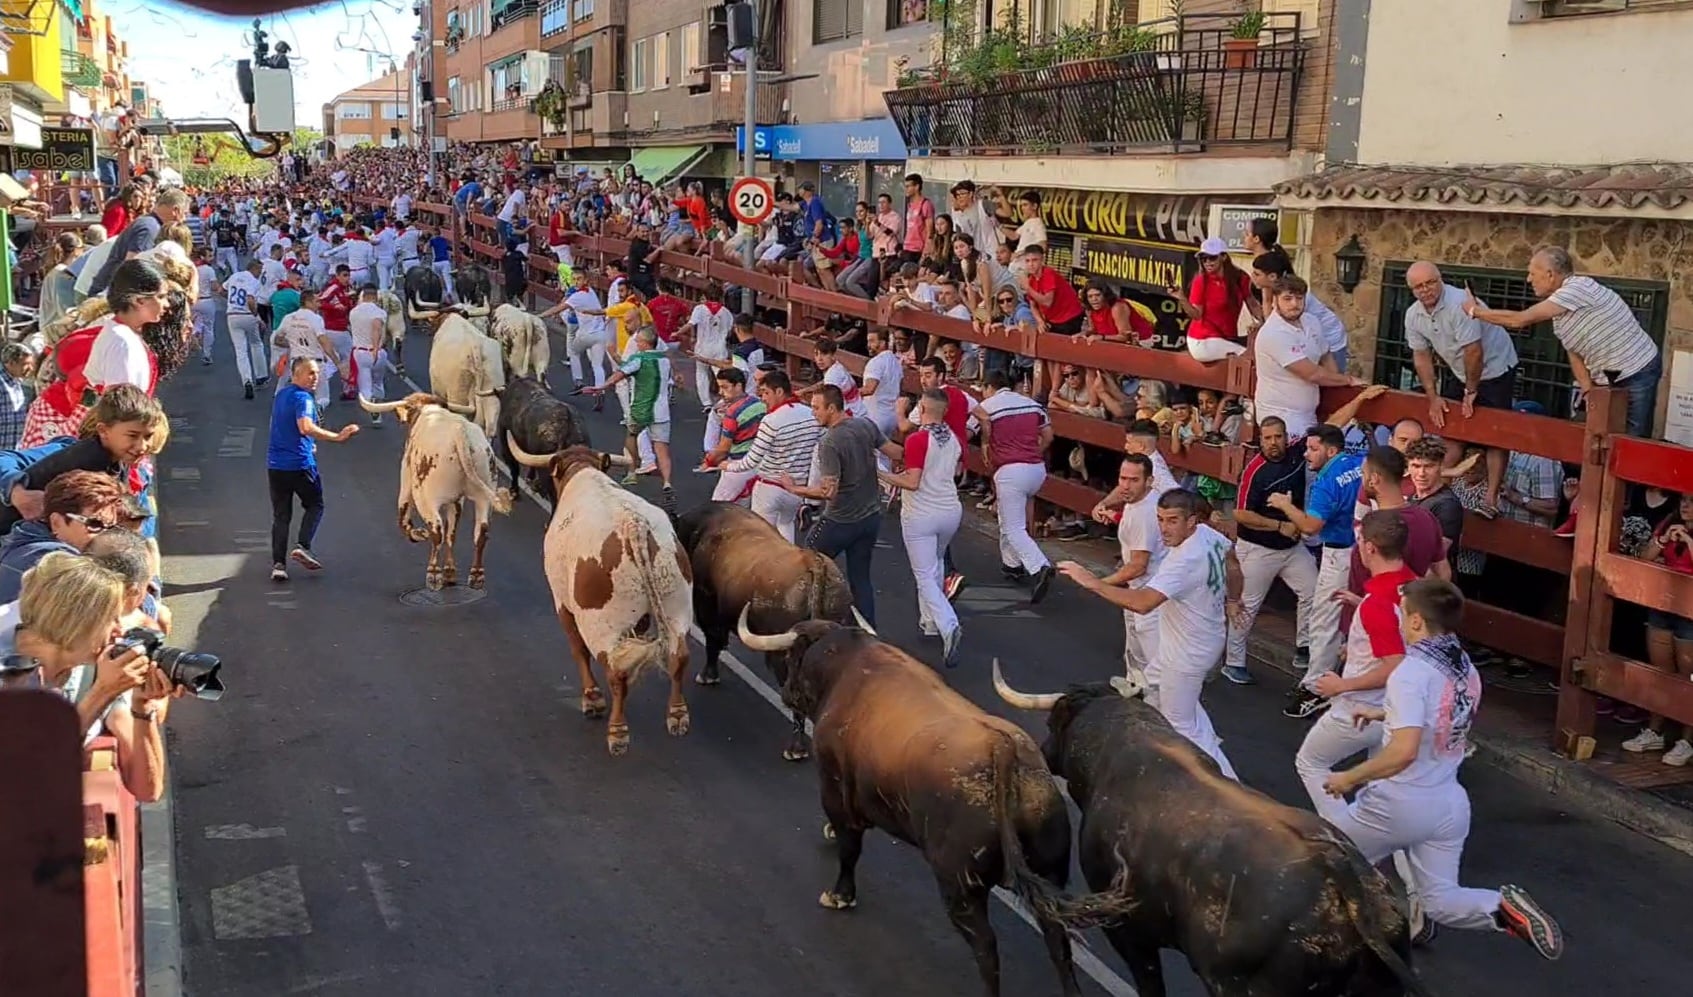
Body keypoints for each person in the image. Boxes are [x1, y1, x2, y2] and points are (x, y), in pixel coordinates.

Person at [1322, 578, 1565, 961]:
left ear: (1417, 621)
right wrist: (1383, 712)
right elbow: (1441, 713)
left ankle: (1343, 954)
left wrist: (1347, 778)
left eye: (1403, 616)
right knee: (1441, 901)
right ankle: (1502, 909)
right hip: (1448, 803)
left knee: (1329, 860)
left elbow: (1402, 752)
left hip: (1400, 801)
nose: (1400, 623)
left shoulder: (1410, 672)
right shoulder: (1463, 665)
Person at [1059, 489, 1246, 777]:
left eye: (1172, 521)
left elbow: (1144, 603)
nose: (1164, 528)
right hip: (1201, 639)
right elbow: (1232, 561)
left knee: (1181, 726)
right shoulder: (1209, 536)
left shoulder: (1183, 561)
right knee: (1151, 691)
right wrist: (1233, 600)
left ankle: (1226, 783)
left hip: (1186, 653)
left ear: (1192, 521)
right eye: (1160, 519)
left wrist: (1092, 583)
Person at [0, 552, 173, 801]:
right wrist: (101, 693)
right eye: (111, 620)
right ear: (75, 623)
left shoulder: (96, 667)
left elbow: (148, 791)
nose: (119, 630)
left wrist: (142, 704)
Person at [782, 384, 902, 629]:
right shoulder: (865, 425)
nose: (813, 412)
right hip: (869, 518)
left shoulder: (829, 442)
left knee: (807, 566)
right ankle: (867, 631)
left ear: (832, 408)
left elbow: (828, 491)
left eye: (816, 408)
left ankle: (807, 625)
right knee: (861, 579)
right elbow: (897, 452)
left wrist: (795, 488)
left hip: (839, 520)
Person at [1225, 416, 1316, 686]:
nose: (1274, 443)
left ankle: (1304, 647)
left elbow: (1330, 426)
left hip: (1291, 547)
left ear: (1286, 436)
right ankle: (1233, 662)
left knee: (1313, 590)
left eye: (1278, 436)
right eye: (1268, 438)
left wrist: (1358, 402)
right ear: (1260, 440)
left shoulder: (1298, 450)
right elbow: (1240, 513)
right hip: (1258, 548)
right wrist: (1278, 525)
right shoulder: (1255, 470)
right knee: (1248, 606)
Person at [0, 385, 164, 537]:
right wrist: (18, 494)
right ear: (103, 431)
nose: (142, 446)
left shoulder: (119, 463)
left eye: (148, 436)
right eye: (132, 436)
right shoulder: (84, 458)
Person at [880, 389, 964, 666]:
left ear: (923, 409)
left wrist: (882, 474)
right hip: (950, 509)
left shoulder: (918, 439)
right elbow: (946, 473)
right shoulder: (951, 438)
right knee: (936, 562)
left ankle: (947, 623)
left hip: (921, 513)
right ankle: (928, 621)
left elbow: (913, 481)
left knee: (924, 574)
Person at [268, 358, 358, 582]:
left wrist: (309, 443)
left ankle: (278, 565)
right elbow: (305, 427)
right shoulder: (303, 398)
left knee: (281, 516)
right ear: (295, 375)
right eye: (309, 373)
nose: (315, 377)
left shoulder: (281, 396)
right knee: (315, 504)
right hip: (300, 465)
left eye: (317, 373)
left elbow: (281, 426)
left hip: (275, 466)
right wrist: (337, 437)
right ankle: (303, 545)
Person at [972, 369, 1055, 601]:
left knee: (1012, 526)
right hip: (1036, 468)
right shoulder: (1031, 405)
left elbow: (971, 428)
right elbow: (1048, 436)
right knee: (1012, 517)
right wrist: (1032, 453)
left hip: (1009, 470)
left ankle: (1040, 566)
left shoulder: (988, 406)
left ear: (989, 387)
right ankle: (1012, 564)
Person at [0, 470, 126, 602]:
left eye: (111, 527)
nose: (104, 536)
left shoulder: (27, 546)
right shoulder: (53, 559)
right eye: (94, 524)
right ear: (56, 522)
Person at [727, 370, 823, 542]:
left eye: (766, 393)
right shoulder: (811, 415)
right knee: (786, 526)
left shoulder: (771, 421)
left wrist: (727, 466)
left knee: (762, 538)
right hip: (796, 488)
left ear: (779, 392)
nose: (763, 398)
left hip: (769, 487)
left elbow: (751, 461)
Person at [583, 326, 676, 504]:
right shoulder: (664, 360)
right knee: (662, 449)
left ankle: (632, 470)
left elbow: (620, 373)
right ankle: (667, 483)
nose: (636, 343)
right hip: (662, 411)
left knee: (631, 435)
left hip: (641, 408)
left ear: (644, 343)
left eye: (638, 340)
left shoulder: (639, 359)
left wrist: (602, 386)